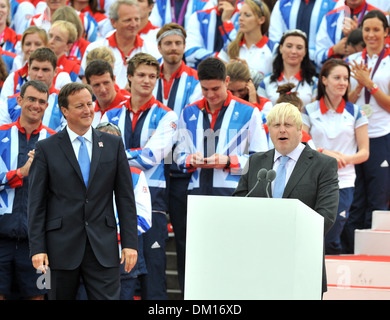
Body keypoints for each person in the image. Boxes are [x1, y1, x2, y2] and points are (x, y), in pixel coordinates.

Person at [28, 82, 138, 300]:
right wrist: (37, 248)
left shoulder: (113, 144)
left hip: (103, 248)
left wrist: (130, 244)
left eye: (90, 103)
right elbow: (36, 203)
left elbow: (125, 198)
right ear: (65, 111)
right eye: (80, 106)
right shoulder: (46, 148)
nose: (88, 110)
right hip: (59, 249)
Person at [232, 102, 339, 295]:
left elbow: (326, 215)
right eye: (276, 125)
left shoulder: (323, 165)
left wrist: (285, 237)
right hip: (258, 263)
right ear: (269, 131)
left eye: (288, 125)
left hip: (301, 263)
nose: (282, 130)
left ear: (300, 130)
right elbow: (240, 203)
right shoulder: (256, 162)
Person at [101, 53, 178, 300]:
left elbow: (150, 158)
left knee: (153, 278)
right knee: (118, 278)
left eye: (152, 76)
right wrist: (130, 153)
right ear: (130, 77)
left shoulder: (168, 115)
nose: (147, 81)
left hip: (152, 203)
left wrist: (116, 153)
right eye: (142, 75)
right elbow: (101, 154)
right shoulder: (111, 115)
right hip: (110, 204)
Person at [76, 121, 152, 300]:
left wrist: (108, 234)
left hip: (122, 257)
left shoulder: (134, 174)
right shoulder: (78, 172)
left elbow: (143, 219)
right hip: (86, 256)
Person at [174, 57, 268, 196]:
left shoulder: (249, 111)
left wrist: (229, 161)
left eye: (215, 88)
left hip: (234, 194)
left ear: (227, 81)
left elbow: (262, 160)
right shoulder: (188, 112)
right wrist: (190, 160)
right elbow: (177, 155)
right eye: (205, 89)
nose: (210, 94)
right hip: (196, 194)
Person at [302, 59, 369, 254]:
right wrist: (325, 154)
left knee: (332, 233)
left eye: (346, 79)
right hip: (314, 179)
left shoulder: (356, 112)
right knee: (315, 233)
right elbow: (302, 143)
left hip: (344, 180)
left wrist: (345, 159)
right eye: (337, 78)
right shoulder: (309, 110)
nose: (342, 82)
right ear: (323, 80)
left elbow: (364, 152)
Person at [154, 22, 201, 295]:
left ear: (184, 46)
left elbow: (187, 122)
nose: (173, 48)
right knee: (154, 236)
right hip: (154, 167)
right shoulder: (149, 74)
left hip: (183, 169)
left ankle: (188, 295)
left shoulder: (194, 80)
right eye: (168, 43)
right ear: (159, 47)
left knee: (185, 238)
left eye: (178, 43)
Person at [0, 80, 56, 300]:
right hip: (1, 236)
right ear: (20, 100)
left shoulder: (55, 140)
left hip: (39, 241)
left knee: (39, 296)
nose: (36, 105)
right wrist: (21, 173)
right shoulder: (1, 134)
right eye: (31, 99)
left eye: (42, 101)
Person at [343, 10, 390, 253]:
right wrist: (359, 83)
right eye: (367, 30)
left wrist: (369, 83)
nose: (371, 35)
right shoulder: (352, 61)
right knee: (355, 197)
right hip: (354, 137)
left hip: (382, 135)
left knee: (378, 197)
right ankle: (352, 250)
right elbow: (346, 102)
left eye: (376, 30)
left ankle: (376, 253)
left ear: (386, 32)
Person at [81, 0, 162, 89]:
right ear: (113, 22)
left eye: (136, 19)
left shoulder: (153, 51)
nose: (134, 24)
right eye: (128, 20)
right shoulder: (94, 49)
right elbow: (86, 85)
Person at [0, 47, 66, 132]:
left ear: (55, 71)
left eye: (45, 70)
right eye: (35, 69)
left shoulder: (65, 102)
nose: (39, 74)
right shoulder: (9, 103)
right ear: (28, 69)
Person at [257, 29, 318, 113]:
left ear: (305, 51)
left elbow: (315, 115)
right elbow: (261, 113)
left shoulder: (314, 83)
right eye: (289, 46)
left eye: (299, 47)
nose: (293, 51)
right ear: (281, 48)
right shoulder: (266, 82)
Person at [315, 0, 383, 68]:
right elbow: (317, 58)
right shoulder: (330, 17)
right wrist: (334, 50)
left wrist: (357, 37)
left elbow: (385, 57)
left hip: (367, 74)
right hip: (337, 74)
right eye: (367, 29)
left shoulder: (381, 17)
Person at [268, 0, 337, 65]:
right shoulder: (282, 3)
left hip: (319, 68)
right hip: (287, 67)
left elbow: (332, 41)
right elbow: (275, 40)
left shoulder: (334, 4)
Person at [218, 0, 274, 79]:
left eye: (247, 15)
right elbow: (218, 78)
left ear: (261, 20)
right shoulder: (229, 48)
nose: (240, 18)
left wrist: (246, 73)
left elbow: (275, 82)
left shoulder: (273, 48)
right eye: (240, 15)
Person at [184, 0, 241, 69]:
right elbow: (190, 52)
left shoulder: (244, 19)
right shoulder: (198, 16)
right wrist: (218, 58)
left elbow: (240, 51)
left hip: (232, 75)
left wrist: (227, 22)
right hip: (202, 74)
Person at [84, 59, 130, 126]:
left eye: (106, 83)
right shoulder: (88, 111)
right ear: (89, 86)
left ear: (114, 79)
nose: (103, 90)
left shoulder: (129, 104)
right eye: (97, 85)